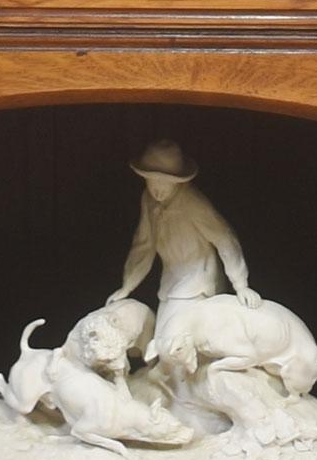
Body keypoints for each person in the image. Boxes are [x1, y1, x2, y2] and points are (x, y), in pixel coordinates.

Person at [107, 137, 256, 367]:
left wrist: (240, 284)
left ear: (177, 182)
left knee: (175, 344)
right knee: (162, 338)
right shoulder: (148, 200)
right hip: (171, 281)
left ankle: (191, 390)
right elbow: (143, 244)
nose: (156, 191)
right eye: (151, 183)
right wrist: (127, 285)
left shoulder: (192, 203)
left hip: (197, 281)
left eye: (163, 185)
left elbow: (225, 238)